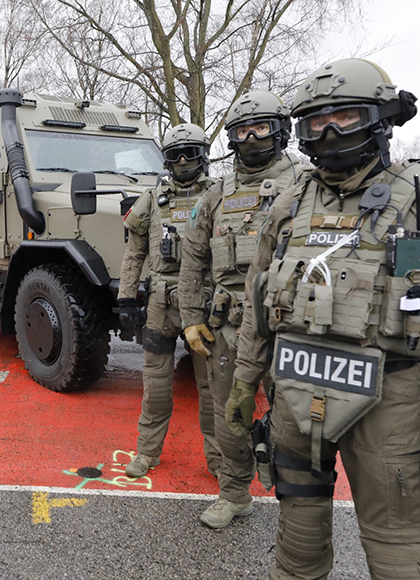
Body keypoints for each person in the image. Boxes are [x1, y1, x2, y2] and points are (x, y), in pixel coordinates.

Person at [231, 58, 420, 579]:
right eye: (315, 122)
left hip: (386, 405)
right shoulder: (289, 204)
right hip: (294, 398)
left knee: (398, 550)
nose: (329, 132)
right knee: (297, 547)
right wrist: (243, 380)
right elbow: (258, 302)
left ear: (381, 117)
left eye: (345, 117)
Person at [178, 90, 307, 528]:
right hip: (228, 327)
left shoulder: (308, 182)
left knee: (294, 418)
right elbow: (192, 260)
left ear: (281, 130)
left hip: (290, 325)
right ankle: (234, 493)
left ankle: (300, 505)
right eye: (241, 130)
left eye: (261, 127)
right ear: (230, 138)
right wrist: (191, 319)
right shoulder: (215, 196)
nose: (251, 137)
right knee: (228, 414)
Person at [118, 123, 221, 480]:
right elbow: (134, 254)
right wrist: (127, 298)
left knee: (211, 388)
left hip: (204, 302)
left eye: (189, 152)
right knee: (156, 384)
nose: (181, 160)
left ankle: (219, 458)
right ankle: (147, 451)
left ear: (202, 155)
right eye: (174, 154)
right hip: (161, 303)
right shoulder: (152, 197)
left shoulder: (219, 195)